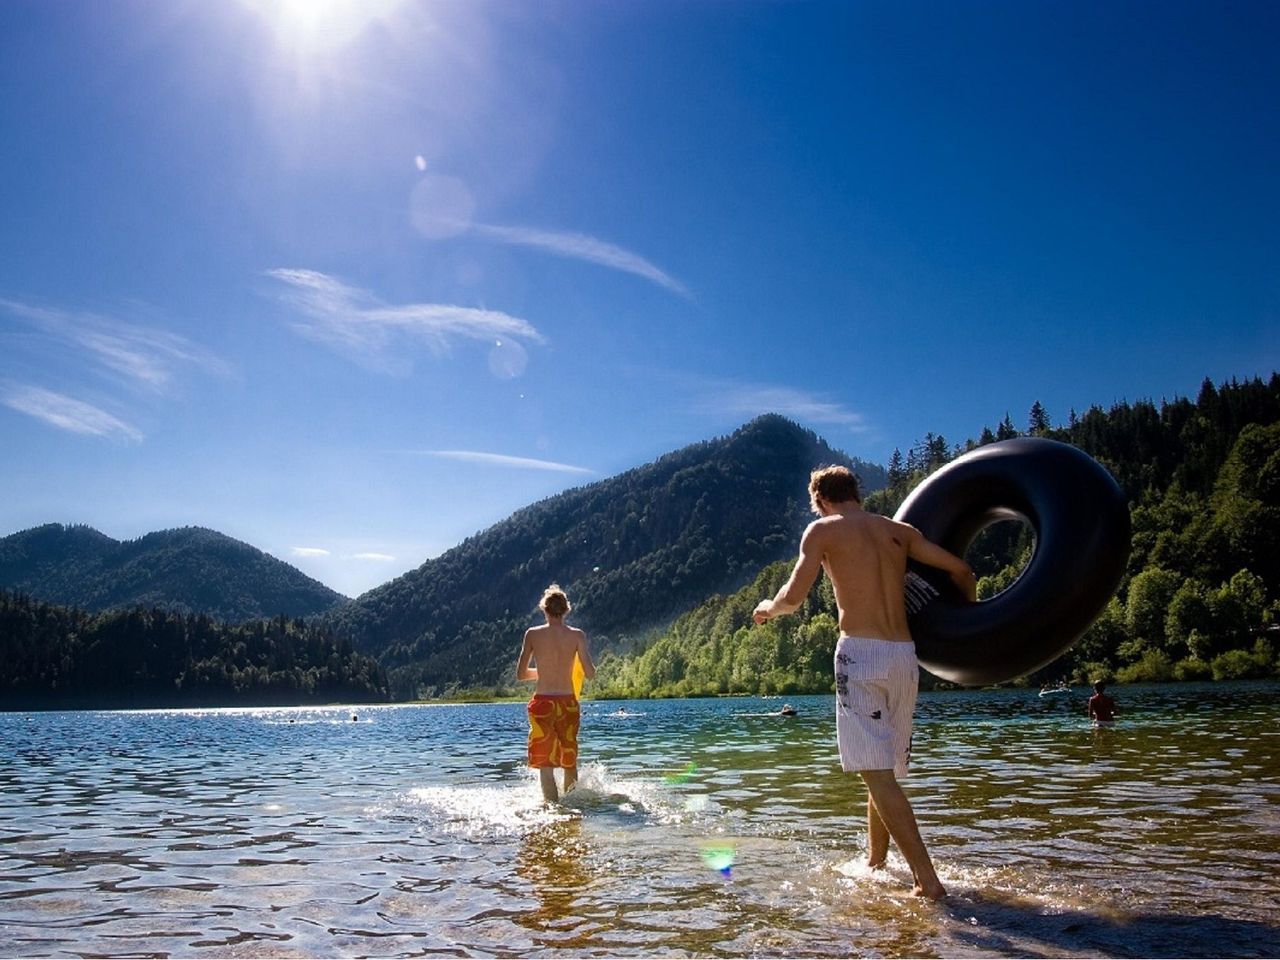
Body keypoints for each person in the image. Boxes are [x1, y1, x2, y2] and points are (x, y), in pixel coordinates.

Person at [753, 465, 976, 900]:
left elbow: (794, 598)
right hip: (904, 656)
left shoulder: (822, 531)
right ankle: (876, 862)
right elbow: (963, 572)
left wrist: (767, 608)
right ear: (856, 492)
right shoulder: (900, 531)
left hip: (860, 653)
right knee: (884, 771)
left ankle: (927, 882)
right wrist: (966, 632)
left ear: (819, 500)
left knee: (876, 775)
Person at [517, 584, 595, 802]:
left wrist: (542, 672)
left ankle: (552, 811)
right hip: (568, 704)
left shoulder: (532, 634)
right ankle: (572, 807)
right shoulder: (577, 636)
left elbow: (521, 674)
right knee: (569, 759)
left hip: (542, 705)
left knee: (545, 764)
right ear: (566, 610)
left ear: (544, 609)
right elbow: (589, 673)